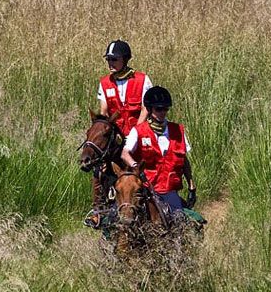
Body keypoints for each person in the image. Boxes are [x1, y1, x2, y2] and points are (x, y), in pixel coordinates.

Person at [84, 40, 153, 228]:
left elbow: (145, 109)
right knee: (99, 166)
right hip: (115, 135)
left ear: (125, 59)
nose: (110, 63)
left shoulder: (142, 79)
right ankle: (97, 211)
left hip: (137, 133)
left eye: (114, 59)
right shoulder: (104, 82)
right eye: (108, 59)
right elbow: (104, 111)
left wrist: (135, 133)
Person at [120, 85, 197, 216]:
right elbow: (124, 153)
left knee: (181, 222)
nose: (163, 112)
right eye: (159, 109)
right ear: (149, 109)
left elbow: (184, 161)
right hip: (146, 189)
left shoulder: (178, 130)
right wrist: (135, 166)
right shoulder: (138, 131)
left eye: (165, 109)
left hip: (169, 190)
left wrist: (191, 185)